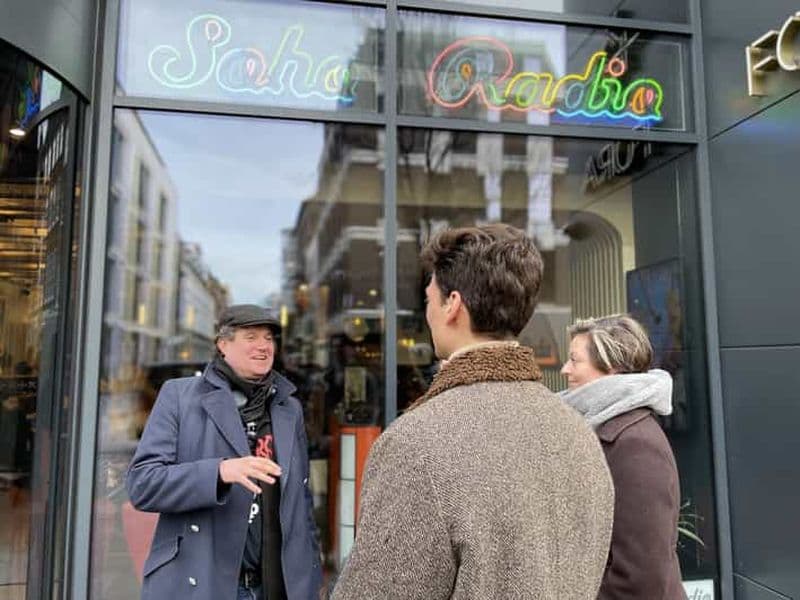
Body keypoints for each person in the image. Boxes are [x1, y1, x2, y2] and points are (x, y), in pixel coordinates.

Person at [331, 224, 614, 599]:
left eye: (429, 299)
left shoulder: (416, 444)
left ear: (453, 305)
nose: (427, 314)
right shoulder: (577, 431)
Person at [126, 304, 322, 600]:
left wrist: (310, 575)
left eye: (269, 338)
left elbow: (301, 502)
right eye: (251, 336)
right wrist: (219, 472)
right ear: (223, 344)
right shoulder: (179, 396)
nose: (263, 346)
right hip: (204, 584)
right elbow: (143, 484)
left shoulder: (287, 407)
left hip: (274, 587)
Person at [560, 314, 686, 599]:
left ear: (613, 369)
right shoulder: (604, 431)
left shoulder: (637, 446)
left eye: (575, 360)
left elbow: (638, 579)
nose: (565, 369)